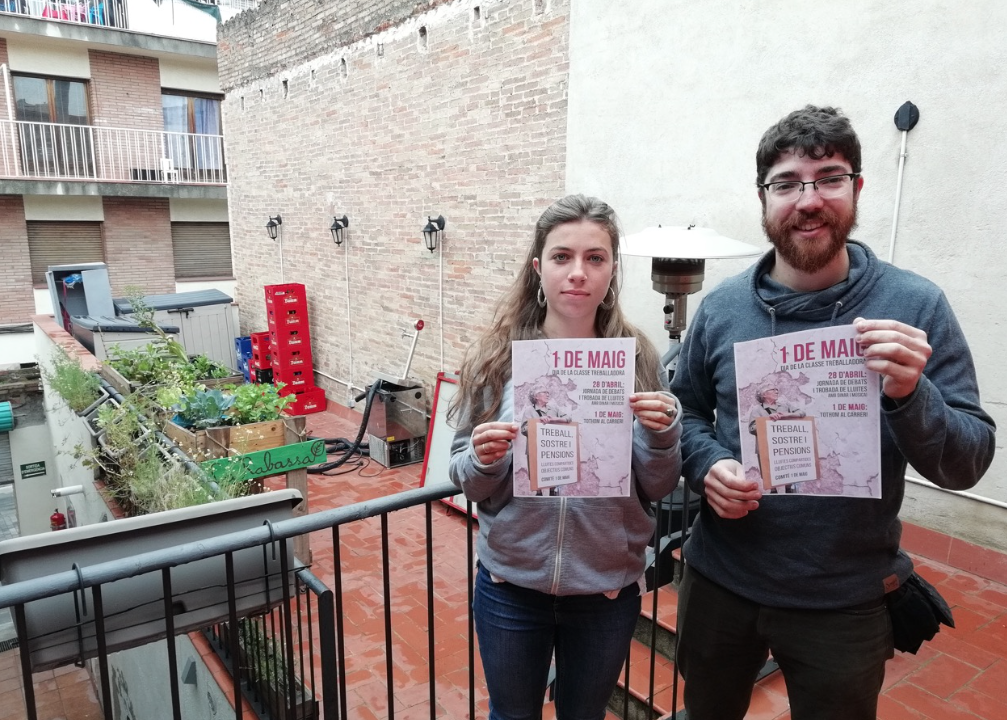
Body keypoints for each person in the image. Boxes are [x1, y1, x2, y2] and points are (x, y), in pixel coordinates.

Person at [670, 105, 996, 720]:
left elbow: (969, 461)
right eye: (788, 182)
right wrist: (708, 463)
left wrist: (910, 393)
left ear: (858, 188)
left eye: (830, 177)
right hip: (720, 584)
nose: (808, 199)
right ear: (764, 198)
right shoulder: (720, 309)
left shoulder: (915, 304)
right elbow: (686, 411)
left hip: (843, 602)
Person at [448, 194, 682, 720]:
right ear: (539, 267)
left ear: (611, 270)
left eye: (594, 258)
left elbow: (659, 484)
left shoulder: (638, 357)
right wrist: (483, 460)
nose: (578, 273)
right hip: (511, 587)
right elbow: (464, 477)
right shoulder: (498, 358)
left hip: (605, 592)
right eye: (562, 256)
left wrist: (664, 437)